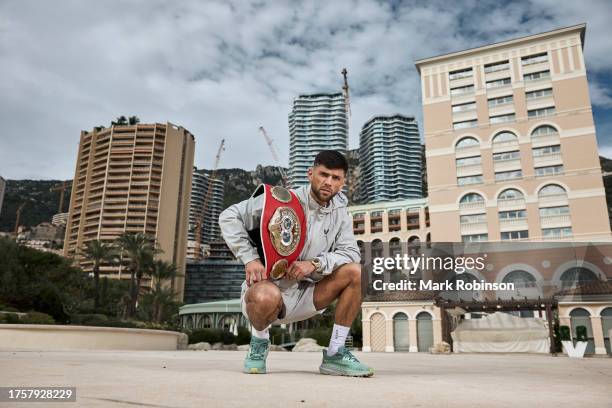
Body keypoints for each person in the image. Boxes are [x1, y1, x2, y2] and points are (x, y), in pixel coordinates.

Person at [219, 150, 374, 377]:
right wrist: (249, 257)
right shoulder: (279, 199)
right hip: (269, 289)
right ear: (310, 173)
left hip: (309, 293)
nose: (328, 182)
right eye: (323, 174)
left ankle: (336, 353)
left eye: (336, 178)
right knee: (265, 297)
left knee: (358, 272)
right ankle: (259, 343)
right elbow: (228, 216)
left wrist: (316, 264)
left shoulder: (341, 213)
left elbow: (351, 252)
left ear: (343, 183)